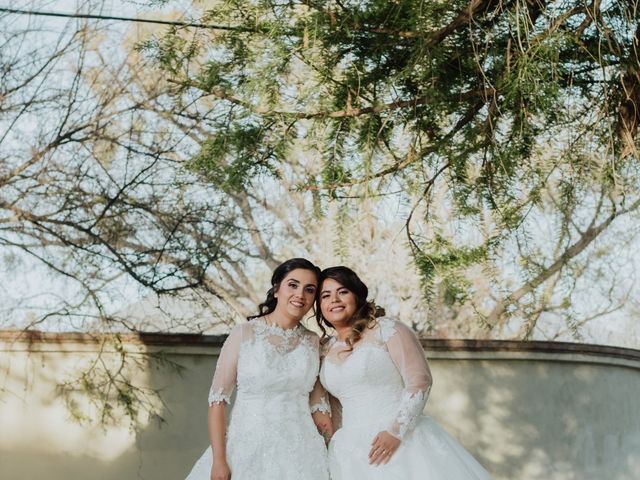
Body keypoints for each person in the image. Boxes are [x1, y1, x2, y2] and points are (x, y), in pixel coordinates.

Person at [316, 266, 494, 480]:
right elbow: (336, 406)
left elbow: (420, 381)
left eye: (342, 292)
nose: (334, 299)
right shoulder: (325, 348)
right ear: (320, 306)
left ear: (356, 295)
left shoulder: (388, 329)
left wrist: (395, 433)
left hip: (399, 440)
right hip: (350, 451)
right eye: (326, 295)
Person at [185, 258, 331, 480]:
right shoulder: (244, 334)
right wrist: (219, 460)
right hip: (246, 450)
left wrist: (336, 446)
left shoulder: (314, 343)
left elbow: (318, 404)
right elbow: (217, 400)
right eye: (292, 285)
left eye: (309, 290)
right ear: (276, 290)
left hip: (302, 453)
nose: (300, 295)